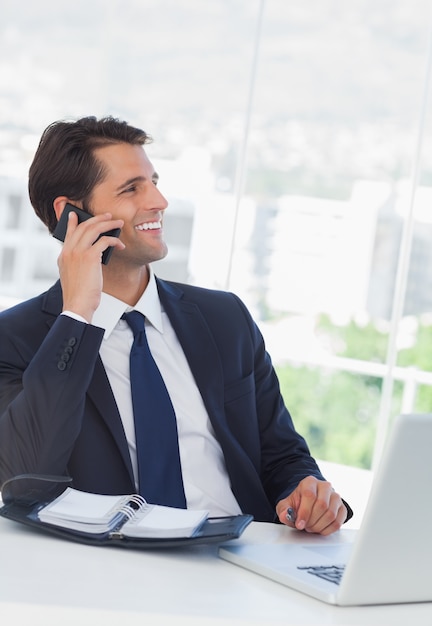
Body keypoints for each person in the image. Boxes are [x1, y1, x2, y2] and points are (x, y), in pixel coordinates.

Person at [0, 116, 352, 535]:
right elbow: (26, 479)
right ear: (70, 215)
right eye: (132, 188)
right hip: (109, 570)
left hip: (240, 560)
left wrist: (307, 494)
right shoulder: (17, 339)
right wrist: (77, 313)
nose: (159, 201)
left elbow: (283, 457)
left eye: (154, 181)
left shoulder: (225, 319)